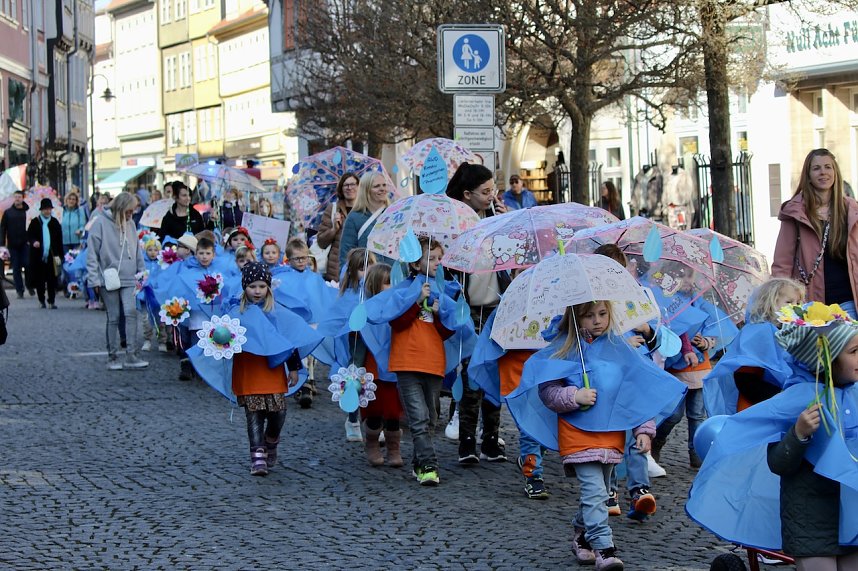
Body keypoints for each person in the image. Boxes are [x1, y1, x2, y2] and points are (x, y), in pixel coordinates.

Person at [686, 302, 858, 570]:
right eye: (855, 352)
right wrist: (798, 434)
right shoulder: (796, 400)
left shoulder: (856, 396)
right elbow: (778, 463)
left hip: (852, 518)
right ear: (828, 357)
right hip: (811, 521)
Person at [516, 300, 685, 570]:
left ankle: (581, 535)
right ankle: (604, 549)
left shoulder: (619, 349)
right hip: (578, 435)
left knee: (600, 492)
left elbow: (635, 391)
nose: (597, 320)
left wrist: (643, 430)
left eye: (603, 314)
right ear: (575, 319)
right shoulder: (564, 350)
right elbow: (548, 392)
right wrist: (574, 395)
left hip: (611, 435)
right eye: (589, 316)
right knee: (596, 494)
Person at [363, 237, 458, 486]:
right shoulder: (403, 291)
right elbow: (395, 321)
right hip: (406, 362)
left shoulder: (440, 291)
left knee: (432, 417)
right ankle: (429, 465)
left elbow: (447, 331)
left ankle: (419, 462)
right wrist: (414, 303)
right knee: (418, 416)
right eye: (432, 259)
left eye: (440, 258)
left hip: (433, 362)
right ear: (416, 265)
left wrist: (438, 314)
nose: (438, 263)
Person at [446, 162, 510, 464]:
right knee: (472, 373)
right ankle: (467, 439)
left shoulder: (497, 219)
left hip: (496, 306)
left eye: (492, 190)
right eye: (485, 192)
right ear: (467, 194)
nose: (490, 196)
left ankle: (490, 438)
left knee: (495, 372)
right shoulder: (454, 226)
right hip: (468, 307)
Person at [229, 262, 303, 476]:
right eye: (253, 286)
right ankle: (257, 458)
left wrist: (294, 367)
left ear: (268, 288)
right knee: (254, 415)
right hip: (249, 371)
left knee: (278, 412)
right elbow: (226, 338)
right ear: (245, 288)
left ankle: (271, 440)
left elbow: (289, 340)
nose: (257, 291)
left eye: (262, 286)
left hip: (272, 371)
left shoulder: (277, 313)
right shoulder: (236, 313)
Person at [772, 148, 858, 318]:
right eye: (816, 168)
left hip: (848, 300)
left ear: (835, 172)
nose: (823, 172)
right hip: (810, 302)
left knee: (849, 344)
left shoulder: (851, 210)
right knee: (820, 345)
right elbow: (783, 263)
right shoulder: (795, 212)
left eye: (828, 167)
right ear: (808, 175)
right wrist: (781, 303)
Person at [703, 277, 806, 416]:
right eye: (789, 302)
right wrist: (778, 396)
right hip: (754, 406)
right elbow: (745, 379)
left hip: (776, 405)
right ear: (770, 303)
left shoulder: (789, 333)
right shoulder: (759, 332)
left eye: (799, 303)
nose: (796, 307)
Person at [85, 192, 148, 370]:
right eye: (128, 211)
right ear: (120, 208)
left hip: (129, 276)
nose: (130, 215)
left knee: (131, 313)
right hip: (108, 277)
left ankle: (131, 354)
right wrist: (94, 280)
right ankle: (112, 356)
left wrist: (142, 272)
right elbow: (92, 255)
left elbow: (137, 251)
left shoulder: (131, 224)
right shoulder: (100, 223)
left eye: (132, 211)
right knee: (113, 317)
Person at [356, 263, 404, 467]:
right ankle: (372, 444)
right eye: (387, 283)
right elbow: (356, 344)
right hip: (372, 368)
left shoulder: (398, 307)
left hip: (393, 368)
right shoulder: (364, 309)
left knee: (394, 411)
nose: (391, 286)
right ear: (375, 285)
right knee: (374, 411)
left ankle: (394, 448)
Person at [339, 172, 390, 268]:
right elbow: (346, 254)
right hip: (367, 277)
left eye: (384, 185)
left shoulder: (394, 214)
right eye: (376, 186)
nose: (382, 189)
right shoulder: (354, 218)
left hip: (394, 276)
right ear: (366, 190)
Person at [317, 173, 358, 282]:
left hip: (359, 265)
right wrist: (334, 229)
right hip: (336, 269)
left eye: (353, 184)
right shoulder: (333, 208)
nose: (350, 188)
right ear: (341, 188)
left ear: (359, 187)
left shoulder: (364, 209)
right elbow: (321, 242)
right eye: (346, 185)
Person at [27, 198, 63, 309]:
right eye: (45, 209)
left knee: (52, 279)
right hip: (38, 256)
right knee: (40, 280)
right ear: (41, 210)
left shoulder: (55, 222)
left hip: (52, 256)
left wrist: (60, 255)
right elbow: (29, 236)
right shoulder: (35, 222)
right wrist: (34, 242)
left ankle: (51, 301)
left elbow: (59, 240)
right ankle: (41, 300)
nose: (47, 211)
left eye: (49, 209)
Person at [0, 190, 32, 299]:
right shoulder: (8, 212)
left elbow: (33, 226)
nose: (17, 199)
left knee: (27, 264)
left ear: (23, 198)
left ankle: (29, 284)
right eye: (16, 197)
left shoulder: (28, 211)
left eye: (19, 197)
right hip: (13, 244)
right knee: (16, 267)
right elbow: (3, 228)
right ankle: (19, 290)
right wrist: (2, 243)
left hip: (25, 243)